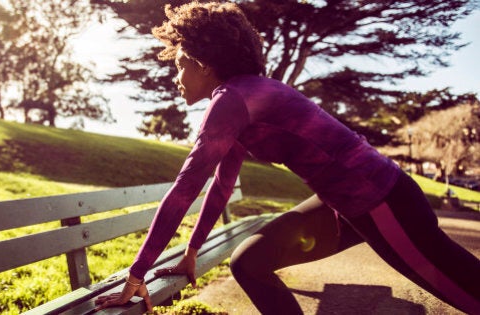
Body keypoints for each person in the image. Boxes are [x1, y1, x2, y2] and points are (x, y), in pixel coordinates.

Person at [95, 1, 480, 313]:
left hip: (381, 201)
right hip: (343, 205)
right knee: (249, 263)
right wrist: (191, 252)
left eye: (180, 66)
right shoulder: (242, 97)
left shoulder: (231, 100)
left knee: (462, 289)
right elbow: (221, 185)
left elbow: (184, 189)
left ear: (205, 64)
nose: (176, 78)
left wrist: (136, 275)